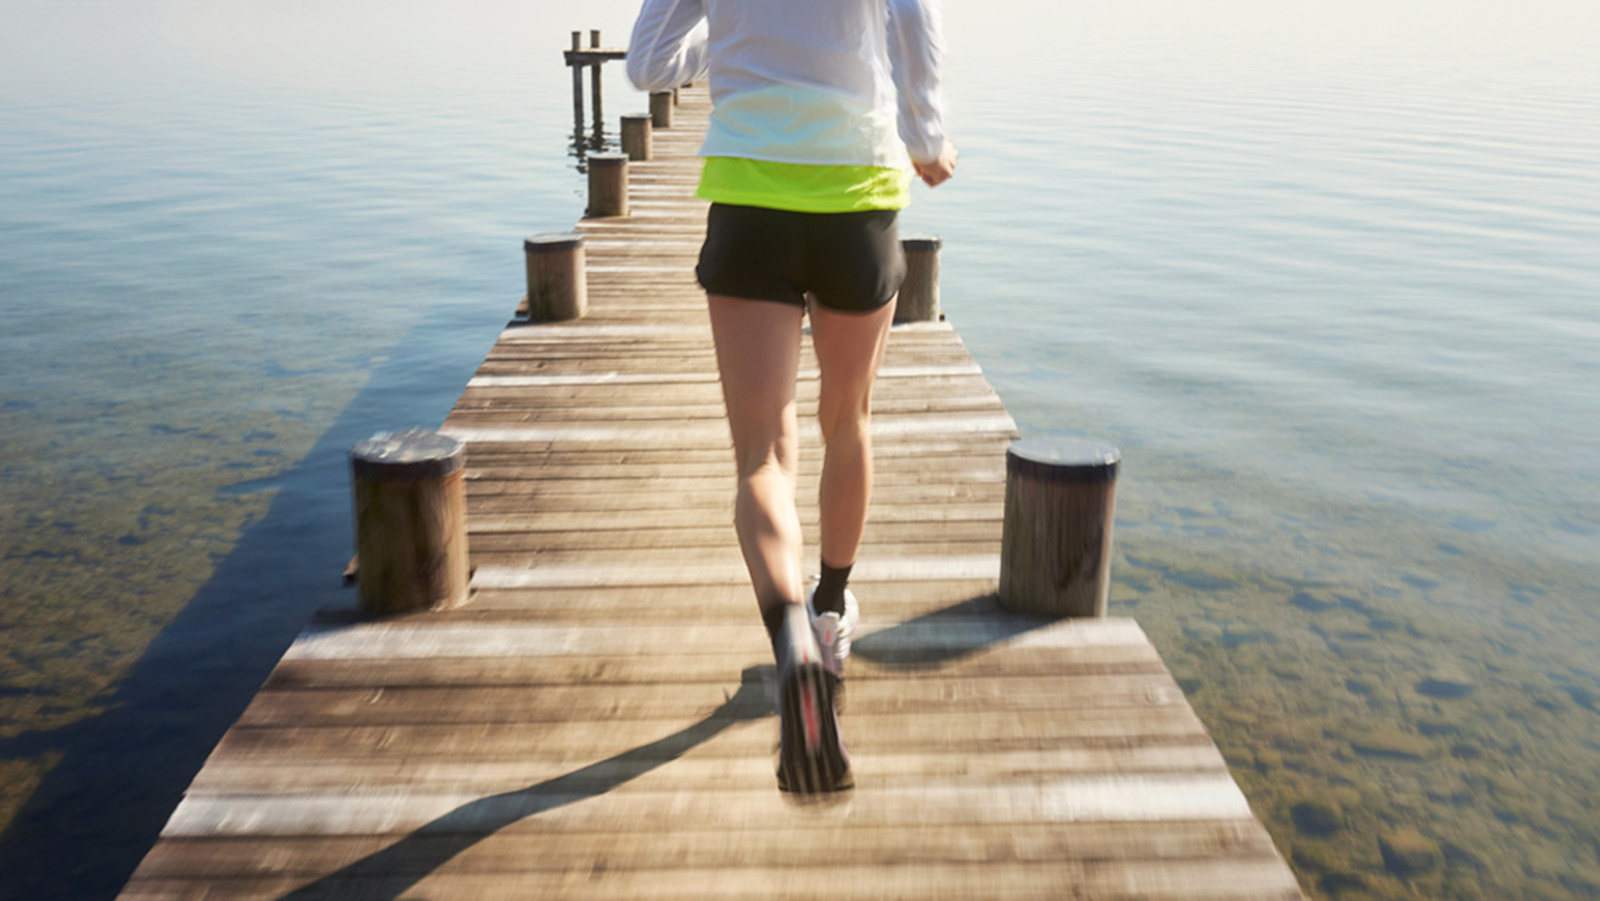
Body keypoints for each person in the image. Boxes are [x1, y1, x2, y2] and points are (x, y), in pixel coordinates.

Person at [627, 0, 956, 793]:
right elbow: (913, 16)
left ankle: (790, 640)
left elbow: (646, 64)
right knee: (848, 418)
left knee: (763, 455)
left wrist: (734, 39)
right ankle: (830, 612)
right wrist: (927, 133)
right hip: (858, 188)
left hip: (750, 194)